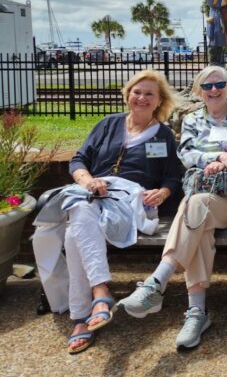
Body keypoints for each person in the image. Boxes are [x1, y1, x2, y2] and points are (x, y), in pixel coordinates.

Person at [118, 65, 227, 351]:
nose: (214, 90)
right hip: (202, 197)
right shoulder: (192, 119)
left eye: (219, 84)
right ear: (198, 91)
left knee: (194, 207)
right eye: (207, 86)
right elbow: (186, 154)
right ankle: (196, 312)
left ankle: (157, 283)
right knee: (198, 217)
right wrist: (218, 157)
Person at [32, 69, 182, 354]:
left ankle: (82, 315)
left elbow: (173, 177)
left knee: (75, 229)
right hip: (92, 194)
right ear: (127, 95)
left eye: (149, 94)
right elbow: (78, 160)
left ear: (159, 100)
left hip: (129, 201)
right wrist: (89, 181)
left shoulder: (162, 135)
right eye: (137, 92)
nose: (142, 98)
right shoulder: (107, 124)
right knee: (80, 213)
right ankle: (98, 297)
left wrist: (162, 193)